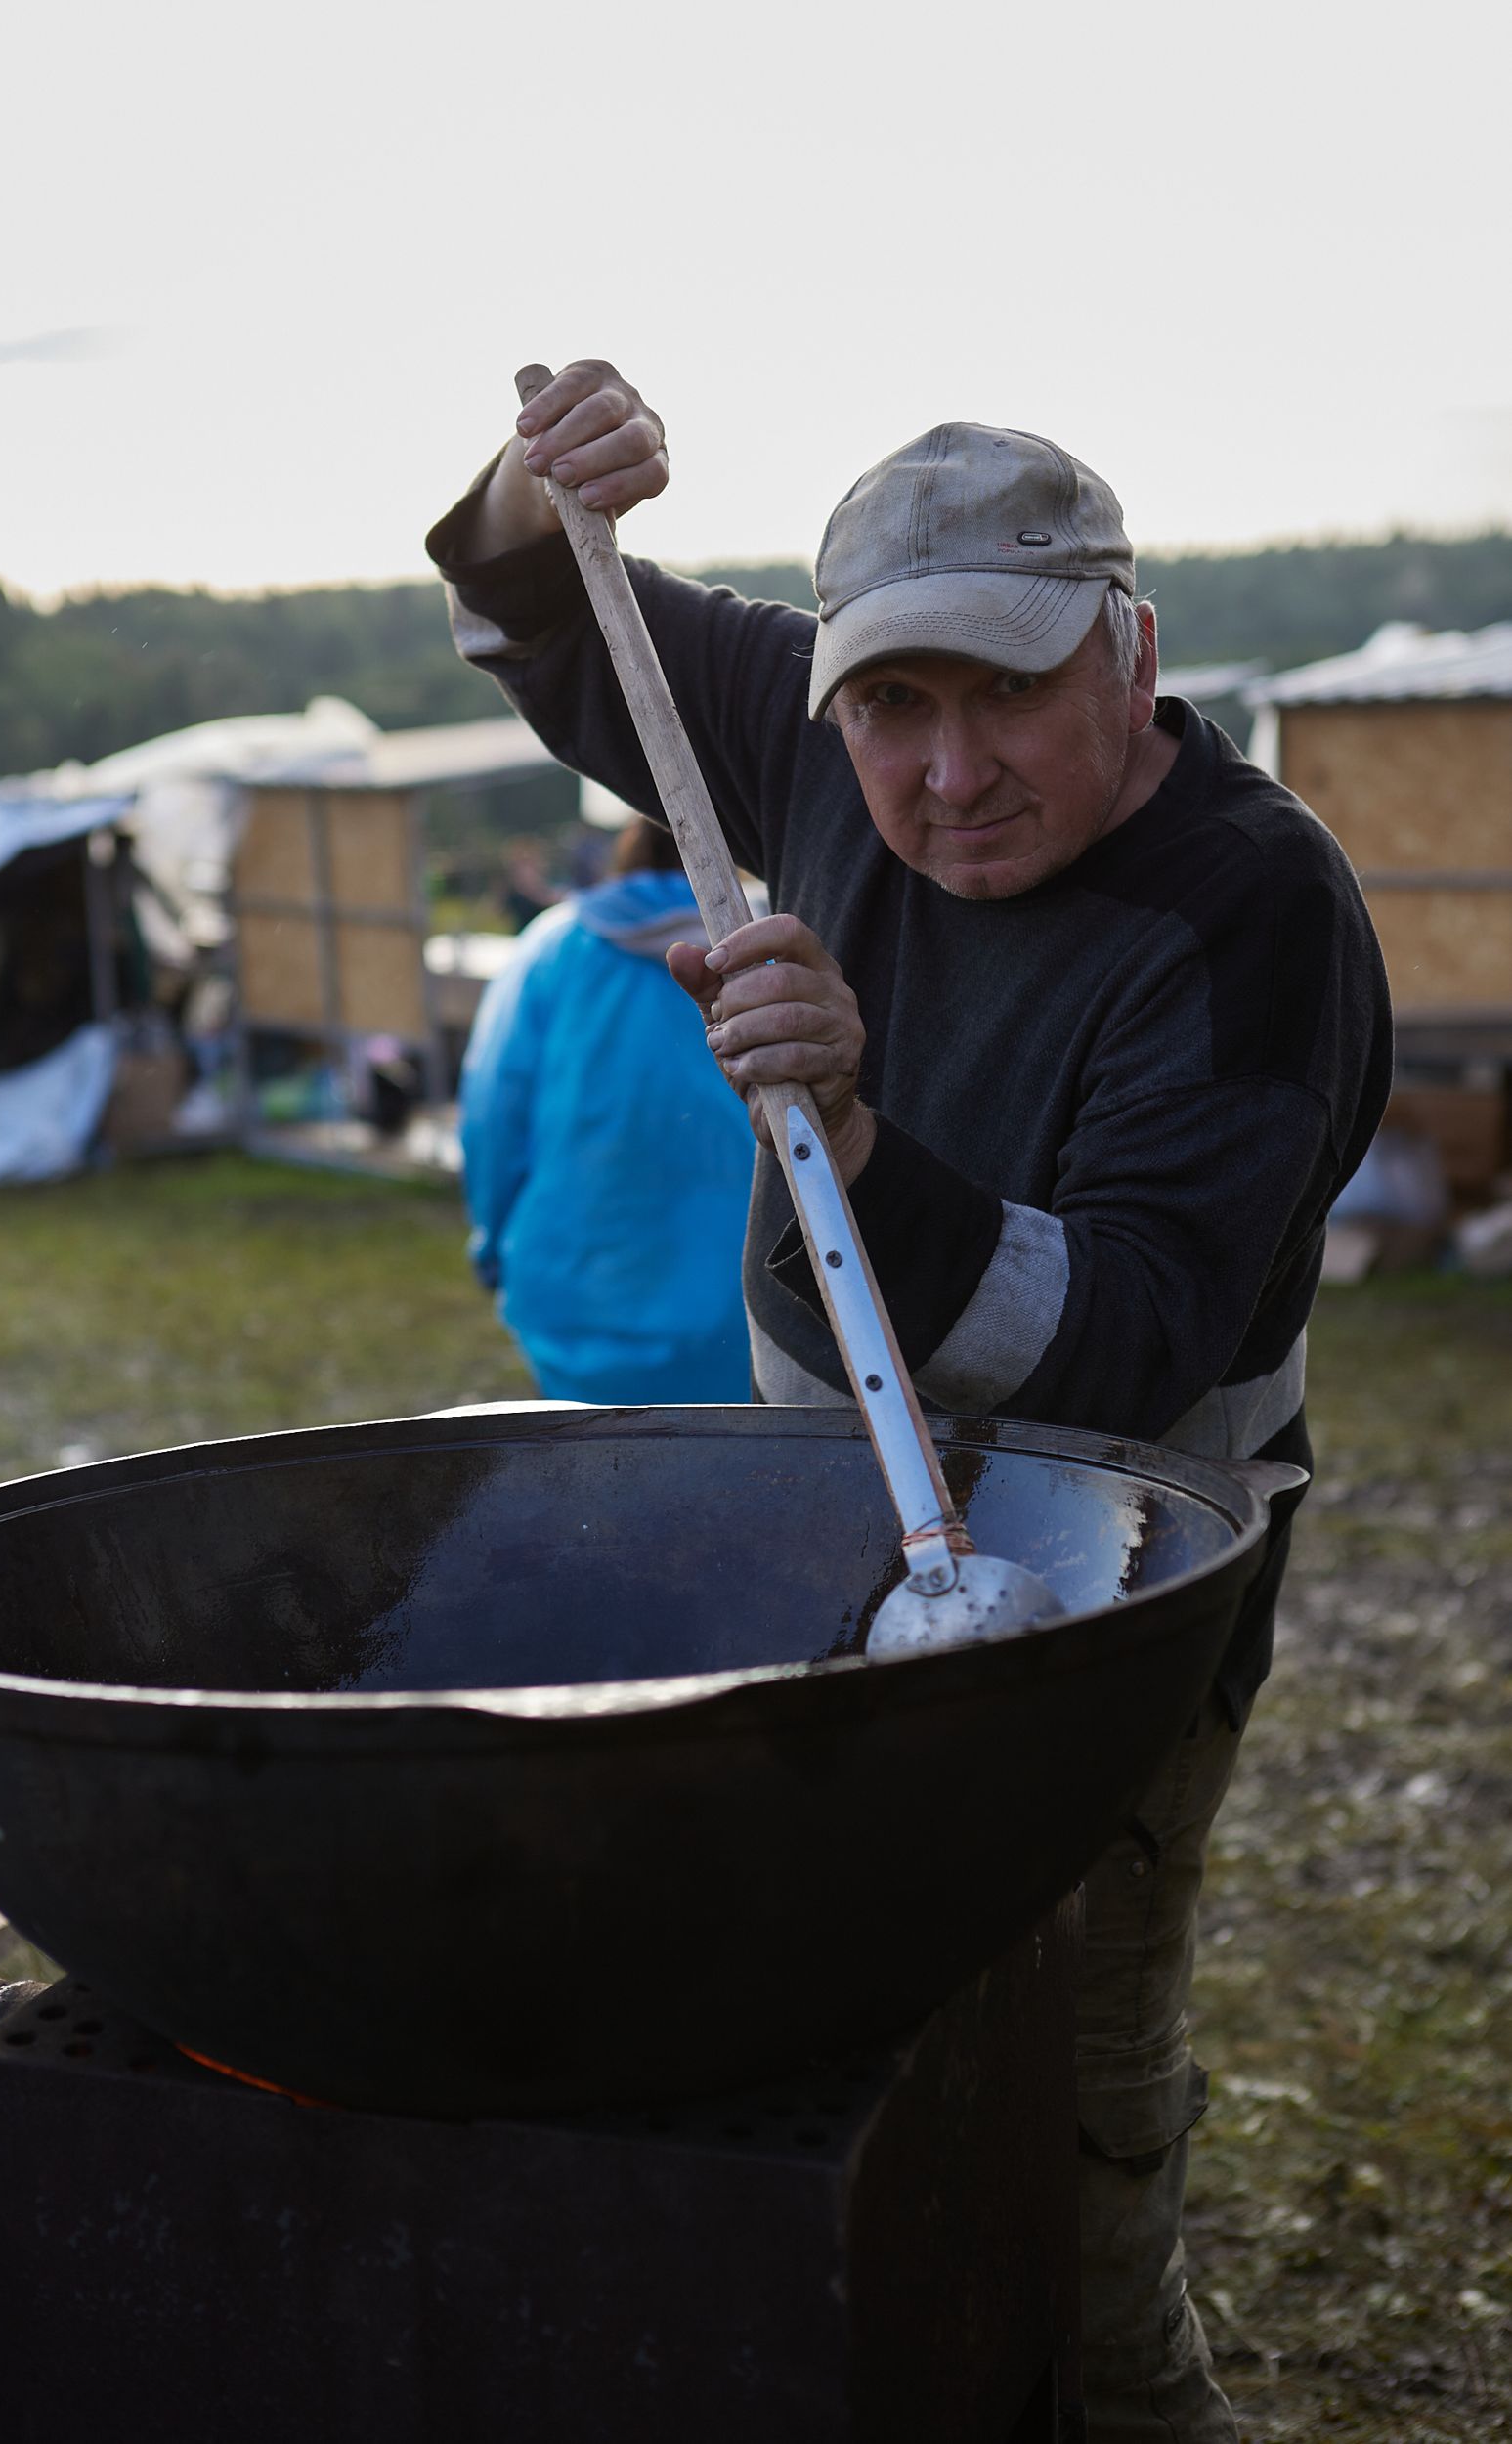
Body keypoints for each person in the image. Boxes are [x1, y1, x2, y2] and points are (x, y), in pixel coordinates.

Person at [427, 362, 1392, 2440]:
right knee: (812, 1979)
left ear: (1127, 650)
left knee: (1071, 2053)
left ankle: (1121, 2385)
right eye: (890, 708)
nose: (941, 773)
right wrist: (531, 482)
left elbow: (1125, 1343)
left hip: (1123, 1558)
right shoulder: (795, 722)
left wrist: (852, 1135)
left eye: (1004, 698)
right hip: (809, 1509)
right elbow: (539, 609)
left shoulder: (1251, 912)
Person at [458, 812, 756, 1405]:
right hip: (746, 1303)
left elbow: (494, 1113)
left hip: (577, 1294)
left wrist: (493, 1244)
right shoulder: (771, 949)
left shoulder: (552, 948)